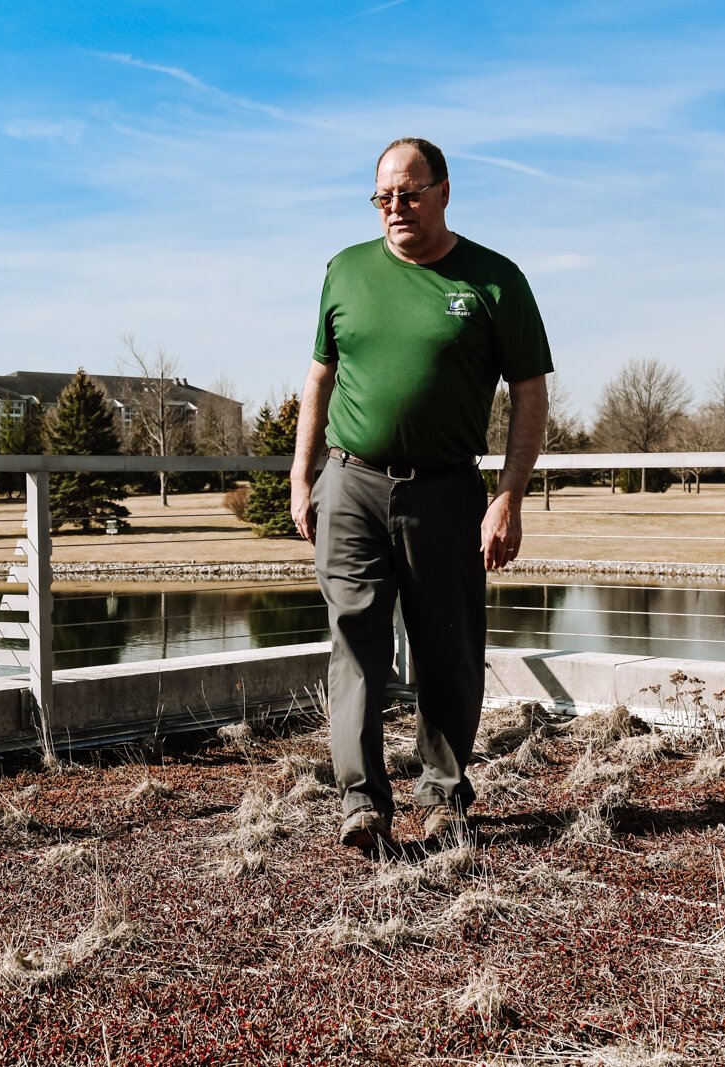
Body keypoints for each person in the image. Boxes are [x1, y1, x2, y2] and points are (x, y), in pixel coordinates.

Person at [290, 137, 552, 850]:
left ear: (442, 191)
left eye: (408, 193)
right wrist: (301, 473)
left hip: (445, 492)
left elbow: (530, 393)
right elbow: (319, 378)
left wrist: (509, 495)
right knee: (355, 644)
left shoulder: (495, 281)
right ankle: (361, 802)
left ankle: (442, 795)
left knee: (449, 651)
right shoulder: (344, 271)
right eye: (382, 197)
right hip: (349, 483)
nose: (394, 209)